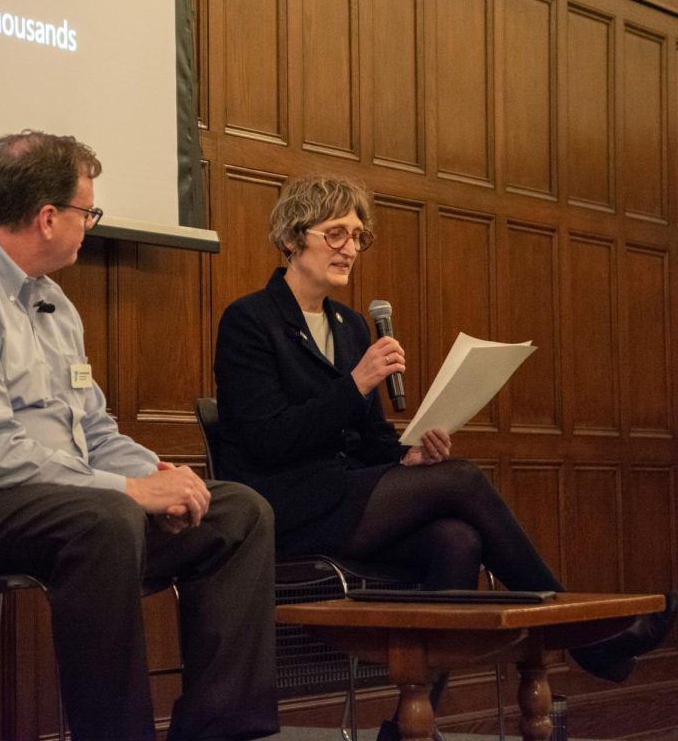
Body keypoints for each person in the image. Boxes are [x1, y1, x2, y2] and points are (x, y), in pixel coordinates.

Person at [212, 174, 677, 724]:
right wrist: (355, 383)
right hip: (284, 508)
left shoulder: (350, 325)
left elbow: (367, 438)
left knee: (456, 538)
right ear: (292, 238)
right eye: (336, 233)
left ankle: (409, 725)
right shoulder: (249, 321)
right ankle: (584, 634)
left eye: (359, 236)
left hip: (346, 498)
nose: (350, 248)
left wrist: (406, 456)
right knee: (460, 479)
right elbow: (268, 440)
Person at [0, 130, 279, 741]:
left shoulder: (54, 304)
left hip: (53, 501)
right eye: (89, 212)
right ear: (47, 217)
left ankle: (220, 732)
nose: (91, 224)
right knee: (104, 520)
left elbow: (92, 427)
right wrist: (128, 494)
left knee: (238, 511)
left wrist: (157, 477)